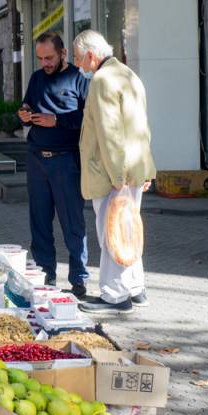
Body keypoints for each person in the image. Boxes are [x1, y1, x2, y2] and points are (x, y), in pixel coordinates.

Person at [72, 30, 156, 314]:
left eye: (78, 58)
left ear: (91, 56)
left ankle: (115, 295)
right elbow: (140, 127)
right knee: (128, 229)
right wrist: (146, 170)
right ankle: (135, 288)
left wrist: (117, 179)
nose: (76, 64)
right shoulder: (128, 75)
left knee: (112, 233)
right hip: (132, 167)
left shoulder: (102, 80)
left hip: (111, 174)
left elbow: (110, 135)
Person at [17, 32, 90, 298]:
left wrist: (56, 120)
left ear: (63, 54)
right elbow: (27, 105)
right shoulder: (37, 78)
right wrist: (24, 113)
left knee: (72, 221)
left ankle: (79, 277)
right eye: (40, 58)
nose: (45, 63)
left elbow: (89, 117)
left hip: (66, 160)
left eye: (49, 57)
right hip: (37, 158)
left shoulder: (78, 78)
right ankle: (45, 272)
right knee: (39, 220)